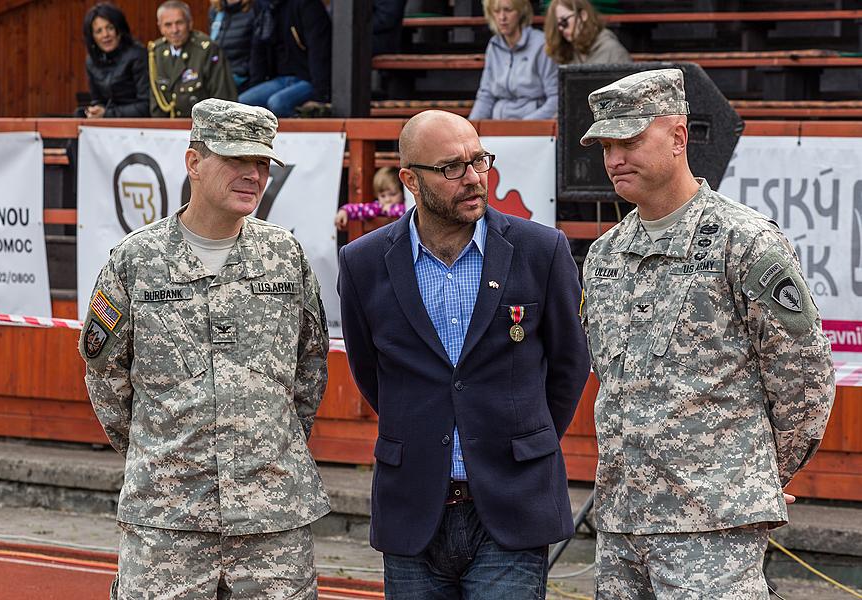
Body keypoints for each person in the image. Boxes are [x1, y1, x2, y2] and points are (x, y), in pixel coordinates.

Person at [578, 69, 835, 598]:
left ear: (678, 136)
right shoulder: (604, 256)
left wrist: (751, 474)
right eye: (605, 144)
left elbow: (804, 381)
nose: (613, 159)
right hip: (622, 521)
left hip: (712, 526)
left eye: (628, 139)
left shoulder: (744, 242)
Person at [78, 98, 330, 599]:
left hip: (271, 519)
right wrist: (162, 453)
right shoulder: (137, 261)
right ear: (194, 162)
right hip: (166, 520)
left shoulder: (285, 257)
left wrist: (262, 447)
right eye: (238, 160)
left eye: (262, 163)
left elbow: (310, 366)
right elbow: (107, 376)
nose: (253, 175)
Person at [338, 110, 590, 598]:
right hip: (413, 510)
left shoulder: (542, 250)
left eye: (480, 161)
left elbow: (568, 365)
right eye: (452, 167)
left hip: (513, 507)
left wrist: (521, 441)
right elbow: (371, 374)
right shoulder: (364, 263)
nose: (474, 178)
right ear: (410, 179)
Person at [239, 0, 332, 118]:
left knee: (277, 103)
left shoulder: (307, 5)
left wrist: (321, 97)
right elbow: (258, 52)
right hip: (280, 79)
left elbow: (320, 53)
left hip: (308, 79)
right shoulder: (264, 7)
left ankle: (303, 130)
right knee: (242, 104)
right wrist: (256, 86)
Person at [468, 0, 557, 120]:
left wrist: (524, 126)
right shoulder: (493, 45)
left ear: (521, 12)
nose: (502, 17)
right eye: (496, 11)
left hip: (533, 127)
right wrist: (469, 128)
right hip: (498, 124)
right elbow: (486, 96)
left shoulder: (541, 45)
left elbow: (555, 98)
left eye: (508, 10)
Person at [149, 0, 237, 118]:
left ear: (190, 23)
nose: (174, 30)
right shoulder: (156, 51)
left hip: (203, 128)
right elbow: (156, 102)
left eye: (179, 23)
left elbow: (224, 99)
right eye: (168, 25)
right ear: (160, 27)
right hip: (170, 130)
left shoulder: (207, 50)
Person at [81, 3, 149, 118]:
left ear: (120, 30)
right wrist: (95, 111)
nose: (105, 35)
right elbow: (97, 100)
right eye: (99, 31)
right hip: (109, 124)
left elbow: (146, 106)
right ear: (92, 37)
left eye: (110, 28)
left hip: (138, 125)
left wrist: (107, 114)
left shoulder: (138, 55)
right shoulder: (91, 61)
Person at [544, 0, 630, 65]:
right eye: (557, 24)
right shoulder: (565, 52)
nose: (560, 28)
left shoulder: (612, 50)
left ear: (583, 15)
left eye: (564, 21)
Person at [209, 0, 262, 93]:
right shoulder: (216, 11)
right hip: (217, 76)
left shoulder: (254, 9)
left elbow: (258, 54)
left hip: (242, 78)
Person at [334, 167, 405, 230]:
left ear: (403, 192)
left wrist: (392, 209)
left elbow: (406, 210)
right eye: (383, 196)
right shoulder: (378, 207)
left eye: (393, 194)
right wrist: (345, 211)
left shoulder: (408, 205)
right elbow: (361, 209)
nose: (387, 199)